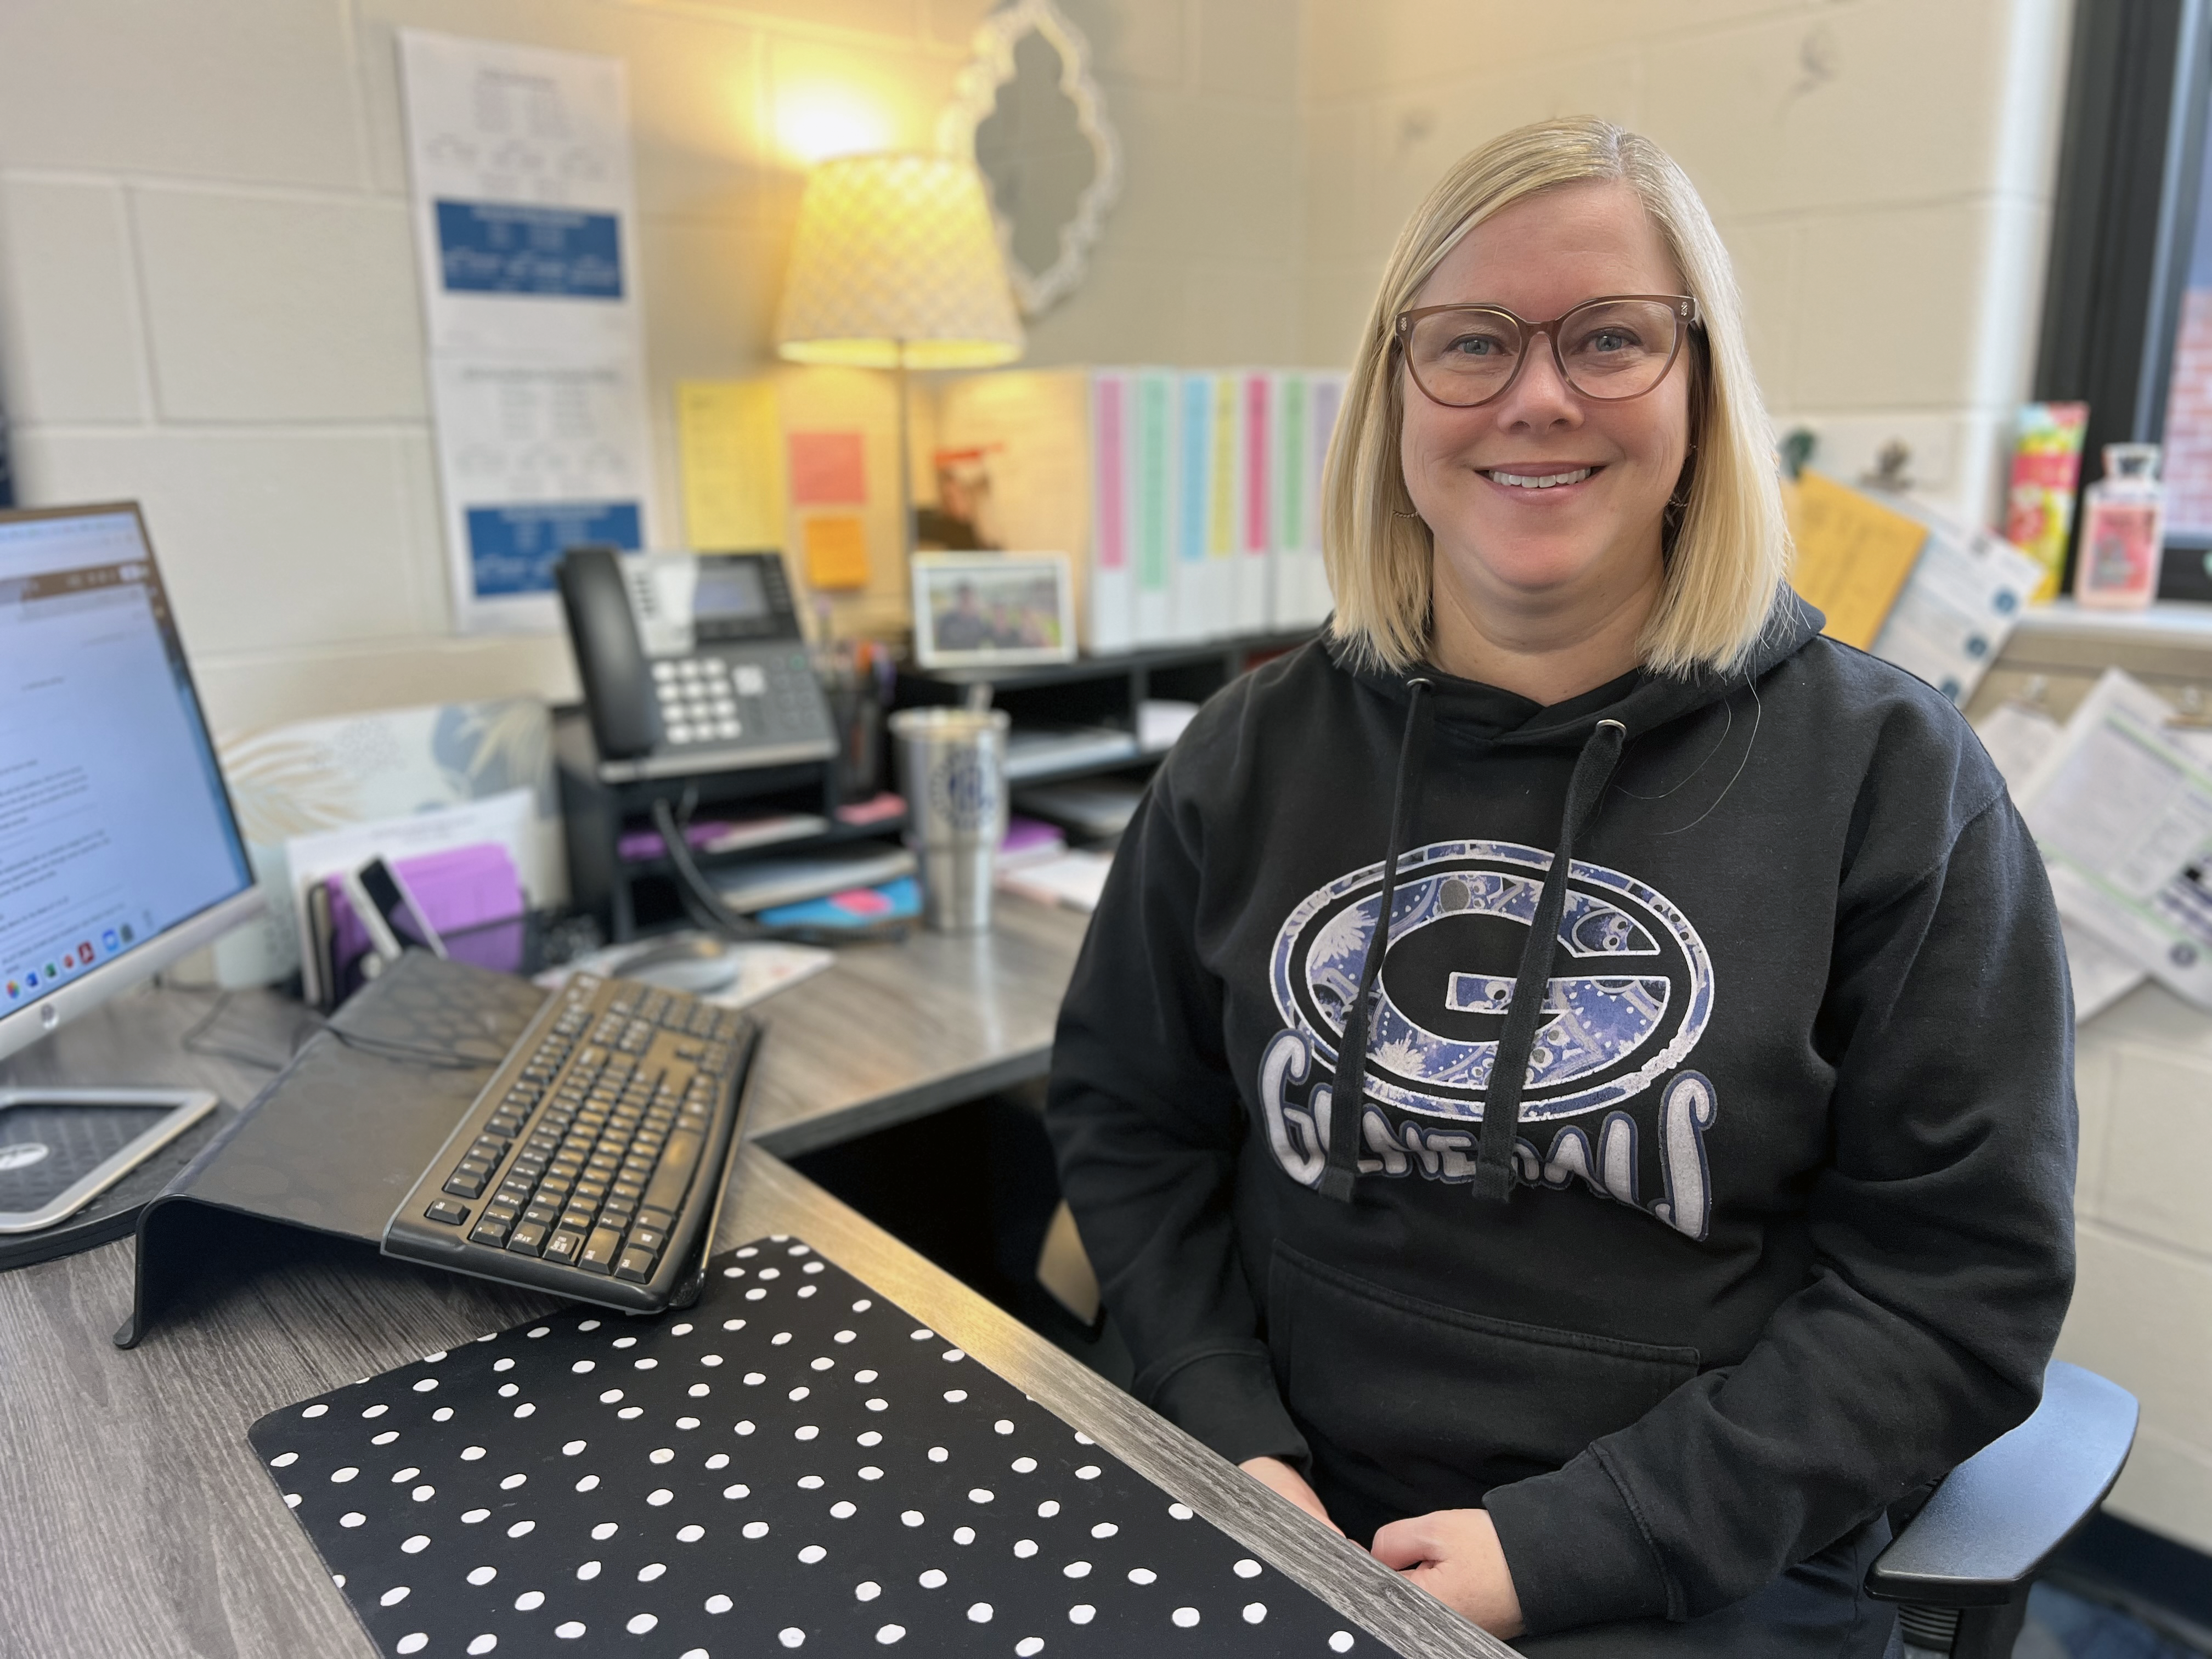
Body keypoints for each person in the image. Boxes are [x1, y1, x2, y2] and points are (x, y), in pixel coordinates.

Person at [1044, 116, 2074, 1656]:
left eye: (1610, 338)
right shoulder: (1252, 751)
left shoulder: (1893, 781)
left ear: (1704, 385)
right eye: (1470, 341)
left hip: (1692, 1556)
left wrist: (1573, 1544)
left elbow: (1956, 1289)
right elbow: (1130, 1121)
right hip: (1279, 1495)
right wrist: (1224, 1434)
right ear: (1397, 396)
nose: (1536, 397)